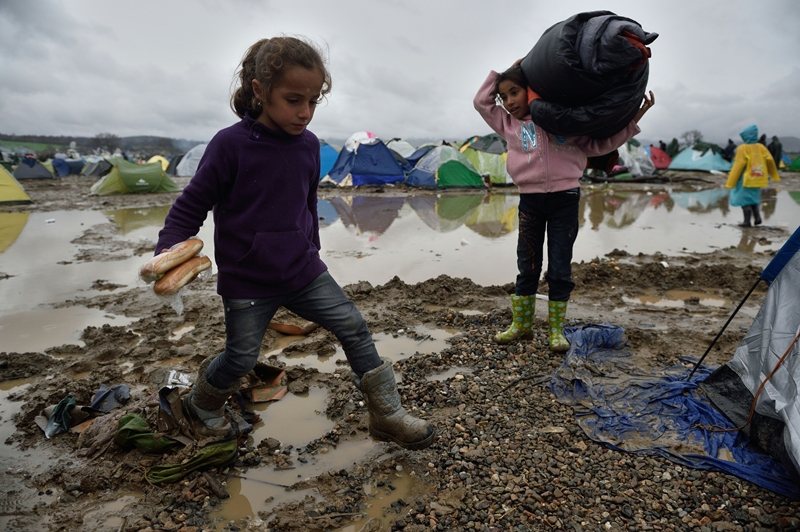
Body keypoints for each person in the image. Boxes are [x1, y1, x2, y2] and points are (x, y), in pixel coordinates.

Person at [151, 36, 434, 450]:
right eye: (293, 99)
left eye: (313, 101)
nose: (304, 112)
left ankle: (387, 415)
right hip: (247, 277)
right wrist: (168, 248)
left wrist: (312, 249)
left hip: (302, 270)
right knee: (242, 358)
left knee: (353, 327)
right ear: (260, 91)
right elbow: (193, 203)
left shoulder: (307, 146)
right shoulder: (230, 145)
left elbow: (306, 203)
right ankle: (201, 404)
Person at [473, 62, 654, 351]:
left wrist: (634, 119)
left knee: (559, 266)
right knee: (527, 264)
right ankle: (522, 325)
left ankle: (556, 332)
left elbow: (600, 145)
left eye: (514, 92)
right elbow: (481, 102)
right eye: (503, 96)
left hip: (565, 200)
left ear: (530, 91)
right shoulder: (509, 125)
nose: (508, 102)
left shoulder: (563, 120)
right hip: (530, 201)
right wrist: (506, 71)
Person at [725, 125, 780, 227]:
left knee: (744, 199)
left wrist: (730, 182)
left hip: (745, 179)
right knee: (753, 198)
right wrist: (775, 175)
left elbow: (738, 165)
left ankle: (747, 221)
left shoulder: (742, 148)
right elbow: (770, 160)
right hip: (758, 177)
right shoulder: (762, 147)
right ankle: (757, 216)